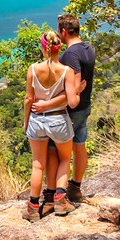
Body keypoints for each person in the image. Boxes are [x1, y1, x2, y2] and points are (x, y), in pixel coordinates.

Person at [32, 13, 96, 206]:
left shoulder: (70, 54)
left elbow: (72, 90)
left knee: (56, 152)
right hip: (85, 107)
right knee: (80, 146)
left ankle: (53, 194)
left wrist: (46, 105)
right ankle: (75, 187)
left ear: (63, 31)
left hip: (70, 110)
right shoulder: (89, 49)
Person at [22, 30, 80, 222]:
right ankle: (60, 201)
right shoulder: (67, 71)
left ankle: (32, 208)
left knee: (37, 165)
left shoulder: (32, 69)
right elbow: (72, 102)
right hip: (58, 121)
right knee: (65, 159)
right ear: (59, 47)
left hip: (37, 120)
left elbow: (29, 98)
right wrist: (79, 91)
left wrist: (26, 121)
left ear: (43, 47)